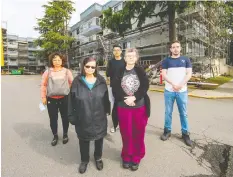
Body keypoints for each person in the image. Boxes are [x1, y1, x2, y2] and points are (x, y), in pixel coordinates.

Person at [68, 57, 110, 174]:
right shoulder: (77, 81)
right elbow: (70, 100)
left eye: (93, 67)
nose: (90, 69)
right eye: (88, 66)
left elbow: (106, 98)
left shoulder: (101, 81)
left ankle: (98, 158)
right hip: (83, 116)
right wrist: (71, 115)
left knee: (99, 139)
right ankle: (84, 160)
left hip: (99, 116)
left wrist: (107, 110)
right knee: (83, 140)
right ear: (83, 66)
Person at [112, 48, 150, 171]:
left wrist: (134, 97)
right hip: (123, 107)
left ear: (136, 58)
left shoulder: (140, 70)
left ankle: (137, 157)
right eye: (128, 56)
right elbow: (115, 88)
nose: (130, 58)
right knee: (126, 133)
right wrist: (126, 99)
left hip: (139, 106)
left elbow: (145, 86)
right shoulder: (119, 71)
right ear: (125, 58)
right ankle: (127, 156)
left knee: (138, 132)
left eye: (132, 56)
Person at [160, 40, 193, 147]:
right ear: (170, 49)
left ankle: (185, 134)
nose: (175, 49)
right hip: (169, 91)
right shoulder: (166, 61)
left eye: (177, 47)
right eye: (173, 47)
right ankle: (167, 131)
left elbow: (189, 74)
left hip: (182, 91)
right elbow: (164, 75)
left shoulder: (186, 59)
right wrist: (173, 84)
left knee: (183, 113)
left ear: (180, 48)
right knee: (168, 112)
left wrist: (180, 85)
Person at [41, 52, 73, 146]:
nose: (57, 62)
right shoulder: (48, 72)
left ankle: (65, 134)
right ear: (52, 61)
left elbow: (72, 83)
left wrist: (71, 95)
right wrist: (43, 97)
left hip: (65, 98)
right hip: (51, 98)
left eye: (59, 60)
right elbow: (43, 85)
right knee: (53, 118)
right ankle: (55, 135)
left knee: (65, 117)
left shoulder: (67, 71)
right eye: (55, 60)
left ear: (62, 61)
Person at [106, 44, 126, 133]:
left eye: (118, 50)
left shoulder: (125, 61)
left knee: (124, 106)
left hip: (124, 87)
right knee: (115, 106)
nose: (116, 51)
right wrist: (109, 82)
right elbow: (108, 74)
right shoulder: (111, 62)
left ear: (121, 51)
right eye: (115, 50)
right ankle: (115, 125)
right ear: (113, 52)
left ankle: (123, 124)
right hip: (114, 87)